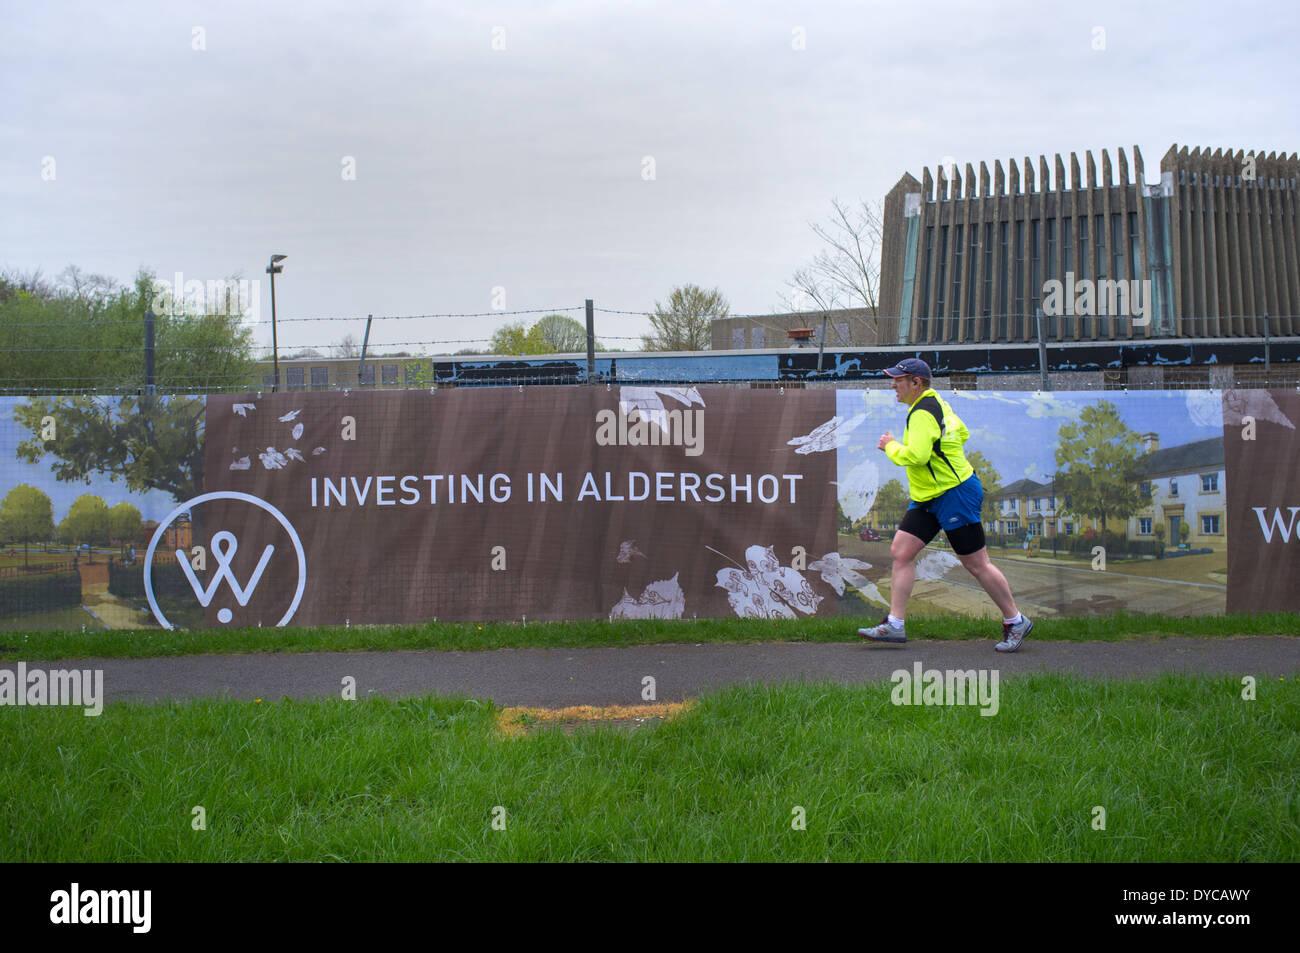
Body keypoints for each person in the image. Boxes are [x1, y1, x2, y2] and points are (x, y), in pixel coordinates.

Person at [858, 358, 1032, 652]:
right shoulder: (935, 404)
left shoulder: (923, 412)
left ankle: (1015, 621)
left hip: (955, 493)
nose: (893, 385)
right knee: (901, 551)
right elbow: (961, 433)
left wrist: (889, 445)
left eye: (898, 380)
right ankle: (895, 625)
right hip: (929, 496)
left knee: (975, 563)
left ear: (916, 383)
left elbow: (917, 456)